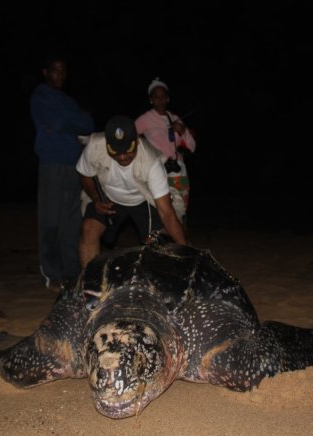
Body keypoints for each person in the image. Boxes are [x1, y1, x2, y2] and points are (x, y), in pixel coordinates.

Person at [76, 115, 187, 267]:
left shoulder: (152, 162)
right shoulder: (94, 145)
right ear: (107, 144)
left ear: (136, 140)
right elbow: (84, 174)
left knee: (162, 239)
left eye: (128, 151)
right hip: (107, 197)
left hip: (142, 200)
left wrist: (184, 251)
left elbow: (166, 212)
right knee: (88, 230)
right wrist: (96, 198)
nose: (122, 157)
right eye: (115, 152)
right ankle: (89, 287)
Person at [30, 54, 95, 289]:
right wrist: (74, 120)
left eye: (63, 71)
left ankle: (71, 272)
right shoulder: (40, 95)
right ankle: (51, 273)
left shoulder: (67, 99)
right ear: (45, 72)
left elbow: (88, 123)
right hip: (52, 164)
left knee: (71, 222)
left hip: (75, 166)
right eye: (54, 70)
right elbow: (61, 123)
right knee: (50, 222)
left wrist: (70, 121)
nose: (59, 75)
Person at [135, 77, 196, 225]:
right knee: (160, 209)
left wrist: (183, 131)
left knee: (179, 210)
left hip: (178, 169)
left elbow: (192, 147)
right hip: (157, 168)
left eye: (163, 97)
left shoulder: (175, 118)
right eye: (156, 97)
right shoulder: (145, 119)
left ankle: (180, 245)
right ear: (151, 99)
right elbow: (130, 137)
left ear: (167, 99)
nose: (160, 100)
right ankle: (160, 244)